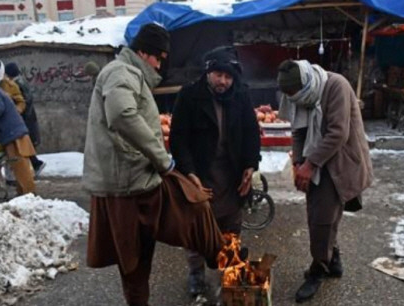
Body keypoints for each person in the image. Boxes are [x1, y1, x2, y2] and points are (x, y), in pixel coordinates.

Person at [83, 23, 225, 306]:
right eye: (159, 59)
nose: (160, 66)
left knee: (146, 248)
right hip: (126, 185)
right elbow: (122, 114)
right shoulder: (121, 72)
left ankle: (216, 255)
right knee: (135, 259)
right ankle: (215, 256)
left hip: (137, 180)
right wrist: (162, 160)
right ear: (145, 53)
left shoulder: (128, 74)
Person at [276, 59, 373, 303]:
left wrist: (310, 165)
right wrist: (298, 162)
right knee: (324, 216)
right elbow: (298, 130)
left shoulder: (334, 86)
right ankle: (334, 259)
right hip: (317, 159)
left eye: (293, 93)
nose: (292, 100)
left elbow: (337, 132)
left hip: (340, 161)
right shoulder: (300, 96)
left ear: (304, 85)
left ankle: (318, 269)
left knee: (321, 220)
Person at [169, 46, 261, 296]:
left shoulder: (240, 95)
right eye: (219, 74)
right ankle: (196, 273)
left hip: (231, 175)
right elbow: (178, 139)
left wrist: (250, 165)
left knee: (231, 226)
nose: (224, 81)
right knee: (197, 229)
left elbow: (252, 133)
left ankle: (228, 272)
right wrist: (189, 173)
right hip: (199, 175)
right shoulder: (189, 96)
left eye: (229, 77)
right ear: (208, 72)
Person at [5, 62, 46, 177]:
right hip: (28, 117)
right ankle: (35, 165)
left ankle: (34, 166)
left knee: (24, 144)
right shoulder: (21, 81)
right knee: (26, 144)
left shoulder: (17, 83)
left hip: (25, 118)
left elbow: (25, 101)